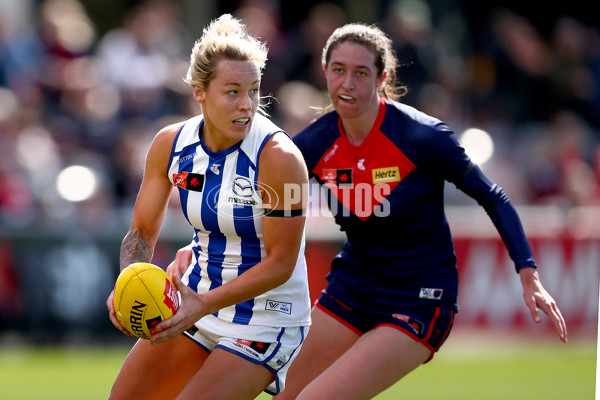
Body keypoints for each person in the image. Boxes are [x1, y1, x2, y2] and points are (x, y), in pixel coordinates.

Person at [274, 23, 568, 400]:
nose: (347, 83)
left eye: (361, 73)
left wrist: (528, 274)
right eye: (338, 70)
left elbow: (493, 196)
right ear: (325, 71)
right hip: (353, 288)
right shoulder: (313, 144)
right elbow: (261, 201)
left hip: (420, 298)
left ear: (381, 78)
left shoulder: (422, 135)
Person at [105, 14, 311, 400]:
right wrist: (128, 283)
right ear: (199, 91)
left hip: (266, 317)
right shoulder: (170, 144)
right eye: (233, 91)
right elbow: (141, 232)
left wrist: (202, 304)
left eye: (254, 90)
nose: (247, 104)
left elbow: (283, 262)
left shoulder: (281, 158)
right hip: (196, 301)